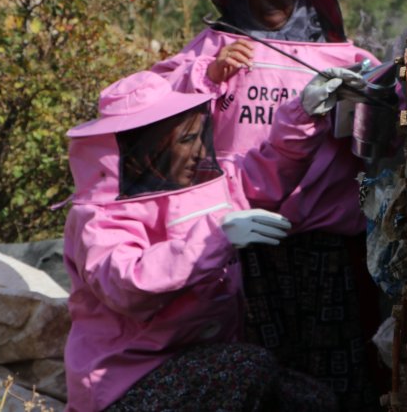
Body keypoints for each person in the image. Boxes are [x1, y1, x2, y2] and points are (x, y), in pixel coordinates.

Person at [151, 0, 385, 411]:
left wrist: (371, 96)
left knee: (333, 375)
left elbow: (388, 118)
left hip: (327, 247)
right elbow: (142, 109)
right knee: (254, 373)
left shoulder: (344, 57)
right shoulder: (209, 50)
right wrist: (207, 76)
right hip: (237, 242)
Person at [62, 68, 363, 411]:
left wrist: (304, 113)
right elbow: (127, 283)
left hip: (202, 359)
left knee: (311, 400)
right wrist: (214, 239)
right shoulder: (97, 217)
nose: (198, 151)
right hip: (123, 383)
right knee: (247, 367)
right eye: (186, 141)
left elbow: (260, 176)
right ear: (147, 150)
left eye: (198, 136)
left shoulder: (202, 182)